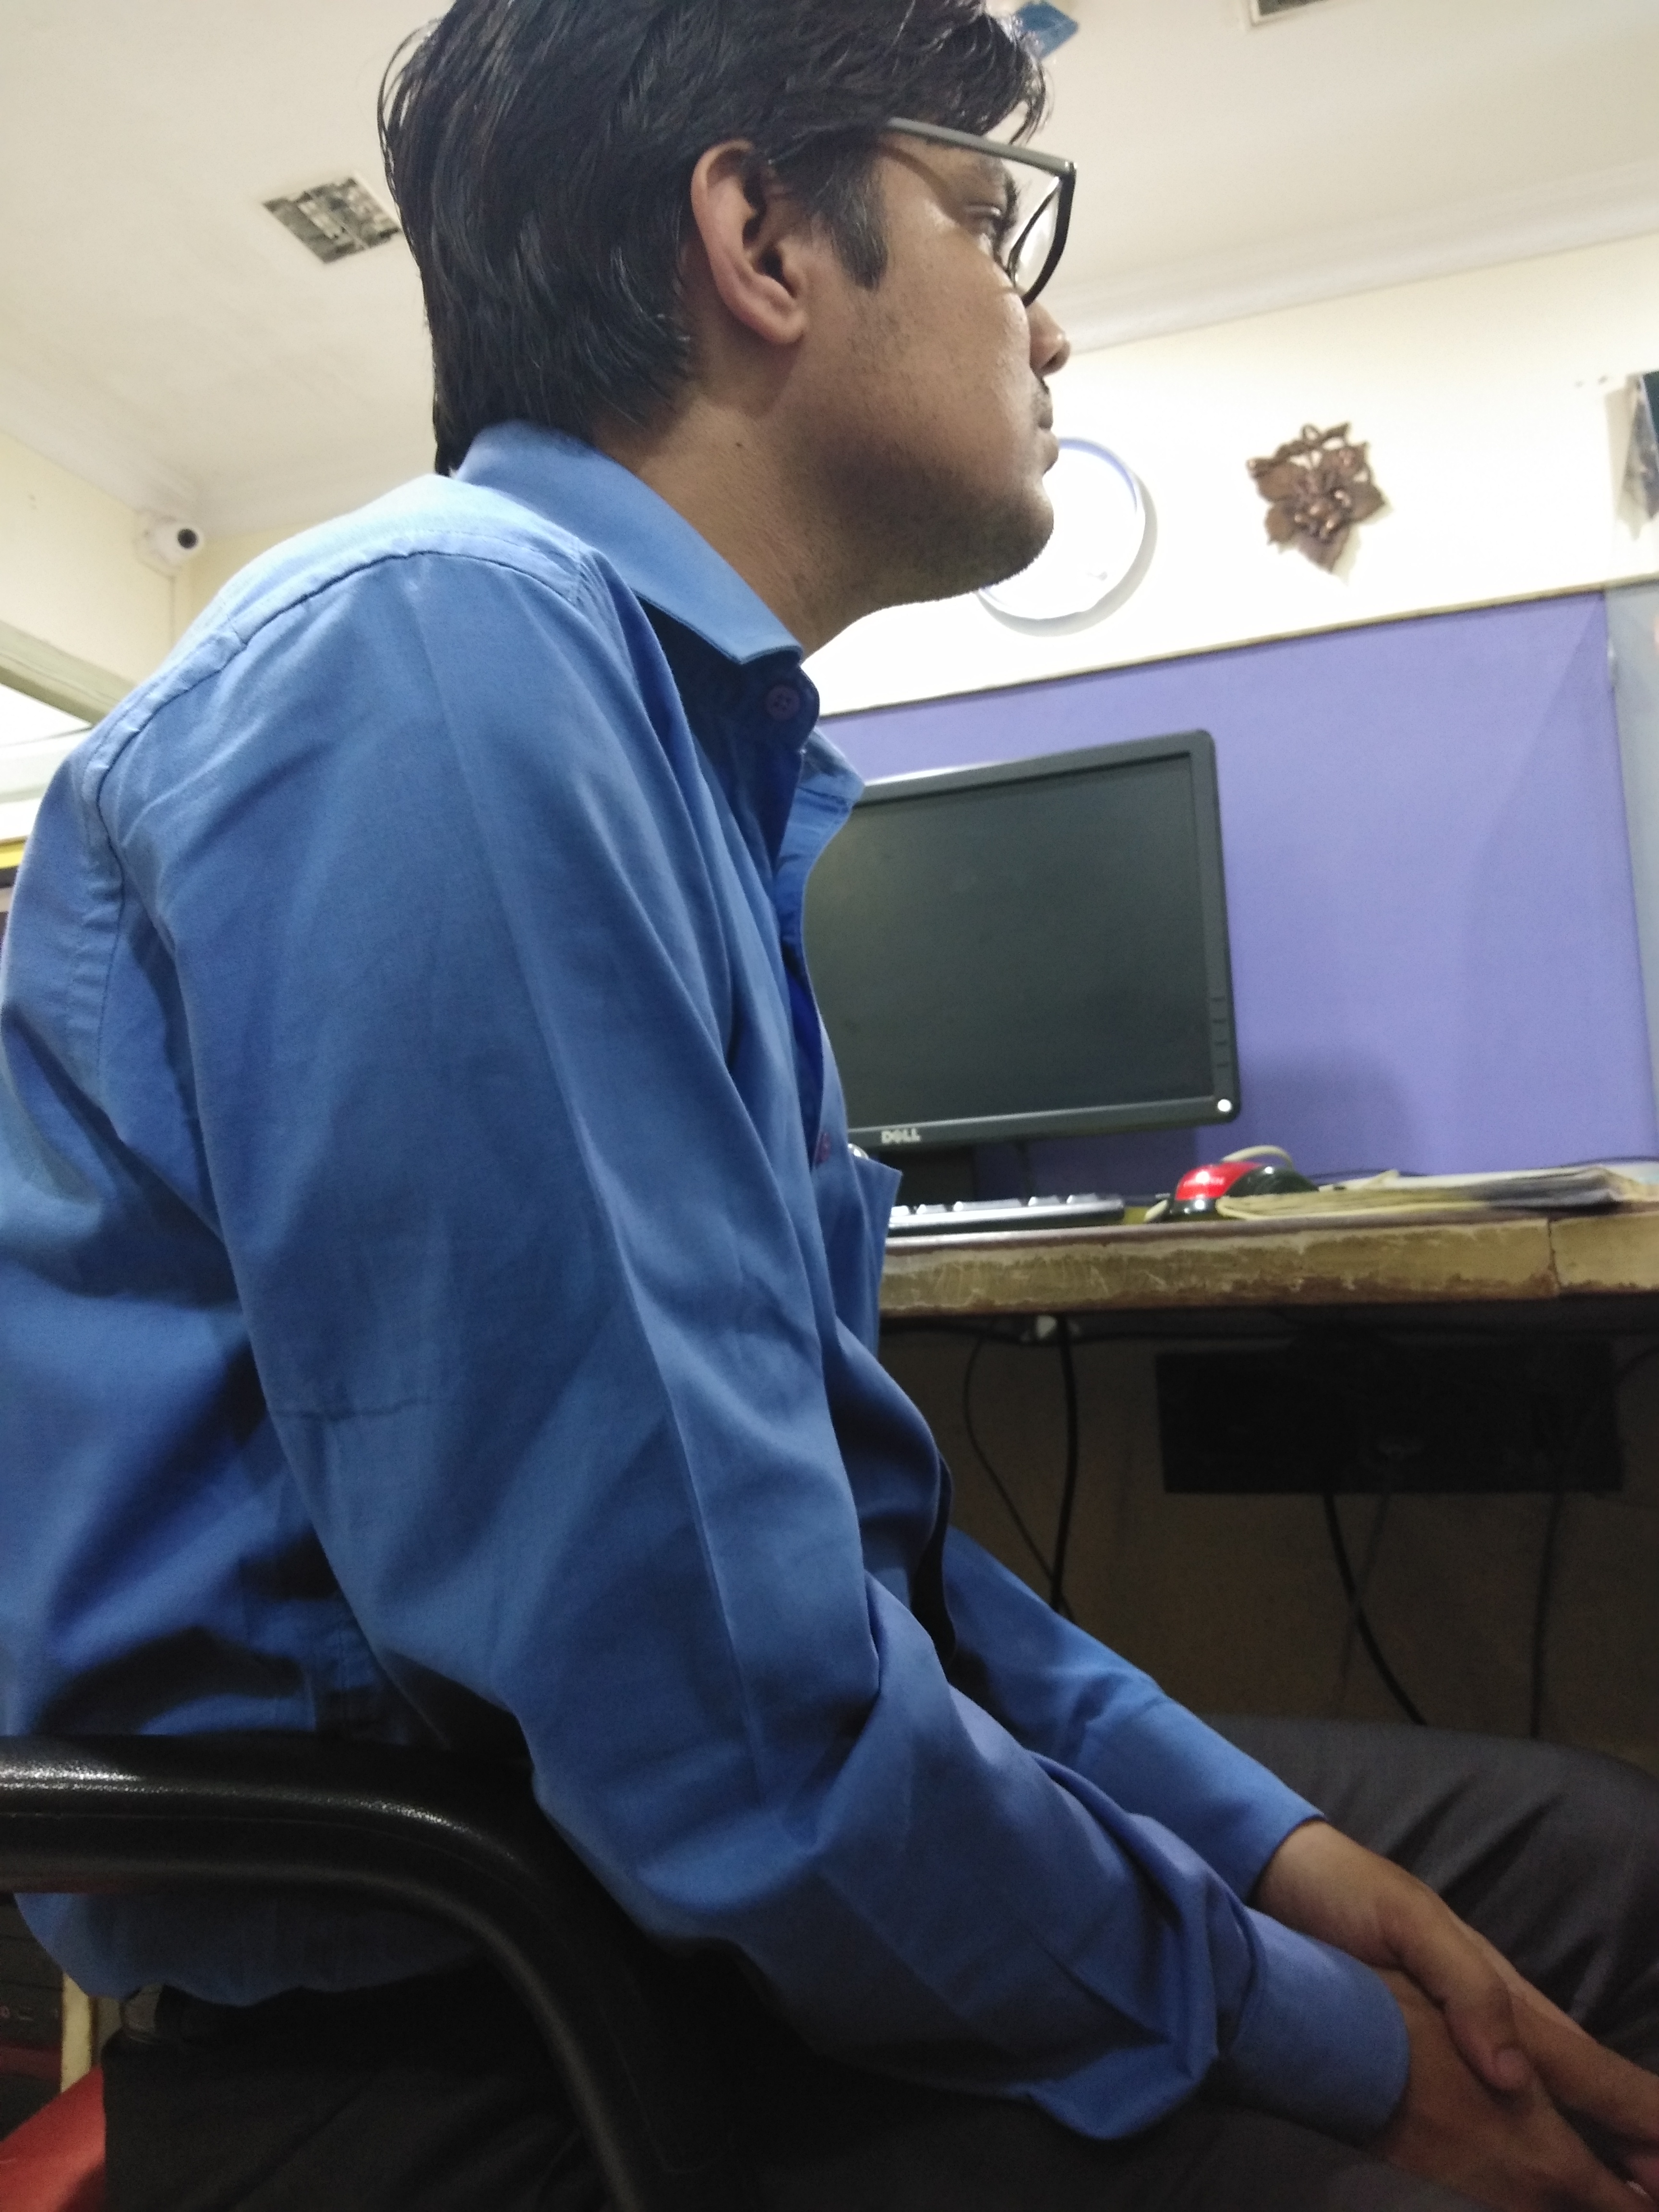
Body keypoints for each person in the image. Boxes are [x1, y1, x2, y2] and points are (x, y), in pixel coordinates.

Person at [2, 3, 1659, 2207]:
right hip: (461, 2011)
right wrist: (1335, 2051)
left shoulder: (659, 738)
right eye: (990, 220)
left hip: (625, 1885)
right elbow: (716, 1714)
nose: (1047, 322)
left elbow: (863, 1573)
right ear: (762, 239)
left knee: (1585, 1867)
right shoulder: (441, 668)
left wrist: (1266, 1850)